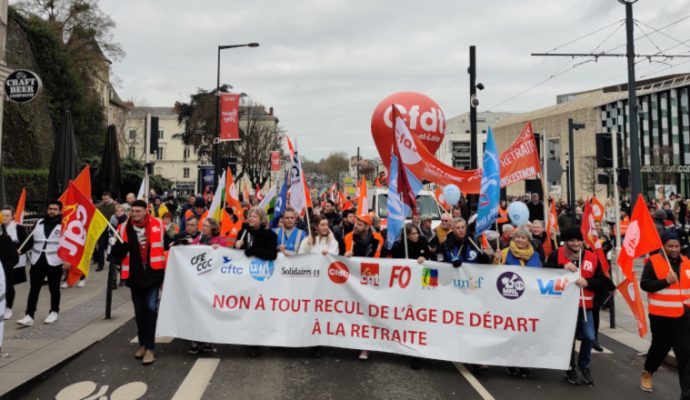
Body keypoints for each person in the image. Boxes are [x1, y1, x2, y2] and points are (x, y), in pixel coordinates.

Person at [109, 200, 171, 365]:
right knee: (139, 312)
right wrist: (114, 250)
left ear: (146, 211)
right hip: (134, 276)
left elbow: (167, 246)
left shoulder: (158, 225)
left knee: (150, 310)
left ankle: (150, 348)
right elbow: (118, 253)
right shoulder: (123, 227)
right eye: (133, 211)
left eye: (138, 211)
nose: (134, 214)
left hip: (153, 275)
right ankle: (143, 344)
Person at [545, 226, 606, 386]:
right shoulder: (556, 255)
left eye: (578, 240)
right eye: (572, 240)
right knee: (568, 339)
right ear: (565, 241)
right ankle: (570, 368)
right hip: (563, 306)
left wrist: (588, 282)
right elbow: (544, 274)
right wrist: (561, 268)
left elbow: (602, 282)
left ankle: (584, 366)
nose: (576, 243)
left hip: (584, 306)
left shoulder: (591, 257)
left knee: (589, 336)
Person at [639, 230, 689, 395]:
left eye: (676, 246)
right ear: (663, 246)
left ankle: (686, 391)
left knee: (685, 354)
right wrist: (665, 281)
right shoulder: (653, 262)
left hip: (684, 318)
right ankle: (648, 372)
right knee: (659, 349)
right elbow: (645, 285)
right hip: (662, 316)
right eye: (670, 246)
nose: (674, 249)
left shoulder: (687, 262)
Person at [235, 207, 277, 358]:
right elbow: (236, 254)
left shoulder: (269, 235)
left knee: (258, 310)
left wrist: (253, 251)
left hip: (261, 277)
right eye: (249, 216)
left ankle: (256, 343)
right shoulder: (243, 233)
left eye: (254, 216)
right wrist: (237, 246)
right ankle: (248, 339)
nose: (251, 219)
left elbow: (272, 254)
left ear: (262, 220)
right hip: (244, 278)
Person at [499, 227, 541, 378]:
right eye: (517, 237)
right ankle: (511, 363)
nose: (520, 240)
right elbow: (495, 273)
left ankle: (524, 363)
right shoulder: (504, 252)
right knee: (512, 332)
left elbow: (541, 274)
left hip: (528, 301)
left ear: (528, 241)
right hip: (510, 299)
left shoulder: (535, 255)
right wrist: (496, 260)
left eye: (523, 238)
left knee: (525, 333)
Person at [17, 201, 65, 327]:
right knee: (34, 289)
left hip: (54, 261)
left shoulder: (64, 225)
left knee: (54, 289)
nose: (52, 211)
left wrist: (68, 261)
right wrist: (19, 250)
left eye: (55, 209)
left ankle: (54, 311)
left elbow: (68, 245)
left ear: (60, 211)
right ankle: (29, 315)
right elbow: (29, 241)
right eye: (50, 208)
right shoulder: (38, 222)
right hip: (37, 260)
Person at [343, 214, 383, 361]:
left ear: (367, 227)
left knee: (367, 313)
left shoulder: (378, 238)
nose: (356, 226)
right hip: (351, 281)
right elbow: (339, 256)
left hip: (370, 278)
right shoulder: (348, 237)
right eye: (356, 223)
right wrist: (345, 255)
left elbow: (377, 258)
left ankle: (365, 347)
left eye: (360, 224)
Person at [391, 223, 430, 370]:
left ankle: (417, 354)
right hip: (405, 289)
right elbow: (394, 261)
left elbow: (431, 262)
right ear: (407, 236)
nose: (416, 236)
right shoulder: (400, 246)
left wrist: (424, 258)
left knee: (418, 322)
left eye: (417, 233)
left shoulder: (423, 243)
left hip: (421, 289)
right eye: (413, 234)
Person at [1, 206, 26, 320]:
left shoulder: (16, 229)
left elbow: (27, 242)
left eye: (7, 215)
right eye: (2, 215)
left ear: (12, 216)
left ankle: (8, 307)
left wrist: (19, 251)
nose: (4, 217)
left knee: (9, 285)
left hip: (9, 261)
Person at [95, 192, 118, 272]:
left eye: (107, 199)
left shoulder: (115, 205)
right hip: (102, 229)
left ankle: (114, 263)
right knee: (100, 247)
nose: (105, 200)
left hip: (112, 229)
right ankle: (100, 265)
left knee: (113, 246)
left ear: (110, 197)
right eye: (104, 199)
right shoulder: (99, 206)